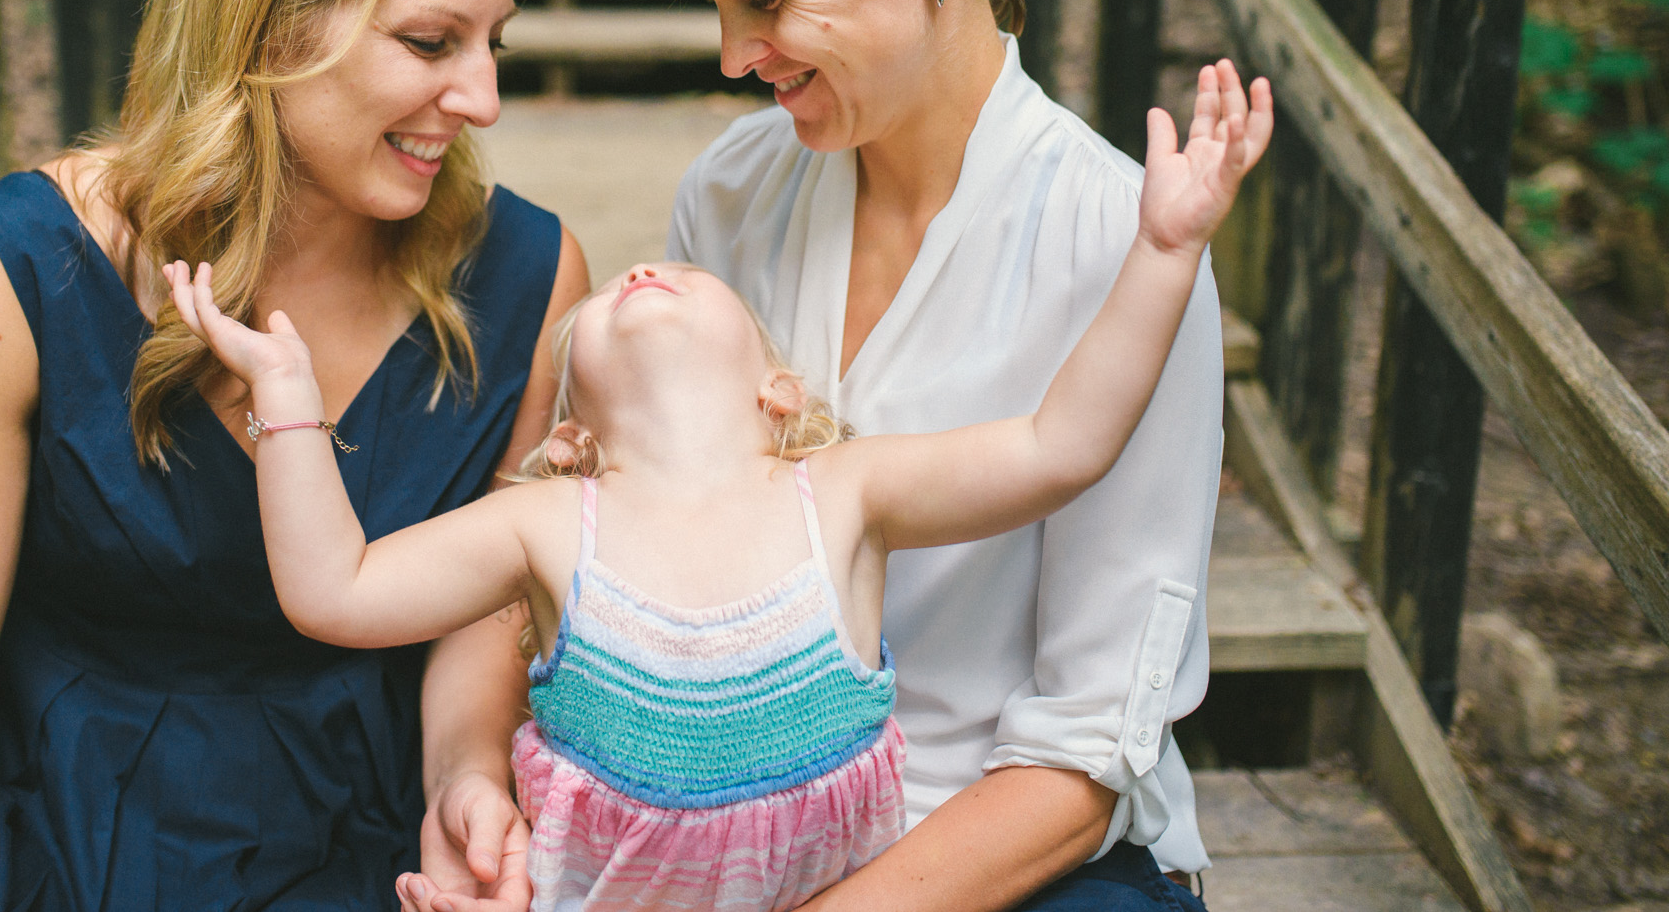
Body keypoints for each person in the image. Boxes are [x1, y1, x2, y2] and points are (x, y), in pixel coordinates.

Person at [161, 60, 1270, 912]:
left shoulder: (842, 491)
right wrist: (289, 401)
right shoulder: (547, 523)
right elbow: (336, 589)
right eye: (614, 300)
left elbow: (1056, 445)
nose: (645, 272)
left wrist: (1163, 252)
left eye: (688, 279)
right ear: (573, 437)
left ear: (778, 393)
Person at [0, 0, 588, 911]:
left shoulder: (524, 280)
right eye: (431, 43)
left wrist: (466, 779)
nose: (481, 99)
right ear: (269, 19)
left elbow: (481, 623)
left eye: (496, 44)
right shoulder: (5, 274)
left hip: (365, 841)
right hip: (61, 835)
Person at [642, 0, 1231, 909]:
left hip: (1014, 845)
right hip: (743, 823)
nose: (731, 57)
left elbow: (1083, 750)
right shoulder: (730, 194)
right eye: (714, 7)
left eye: (763, 1)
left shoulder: (1117, 239)